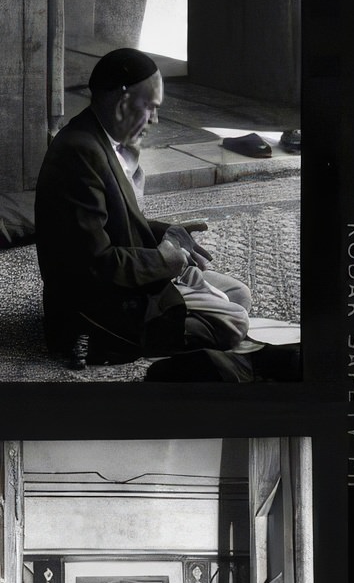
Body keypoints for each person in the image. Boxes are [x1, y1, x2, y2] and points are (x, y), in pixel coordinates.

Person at [33, 47, 265, 374]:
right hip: (98, 310)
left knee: (238, 294)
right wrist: (162, 261)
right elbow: (92, 267)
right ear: (123, 101)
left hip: (124, 281)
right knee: (234, 320)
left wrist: (163, 232)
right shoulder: (80, 154)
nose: (155, 120)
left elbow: (115, 223)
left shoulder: (98, 138)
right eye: (151, 108)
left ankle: (187, 315)